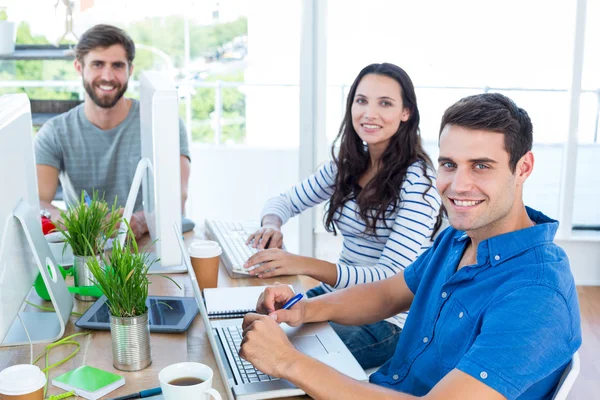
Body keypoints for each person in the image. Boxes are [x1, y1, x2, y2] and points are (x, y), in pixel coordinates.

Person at [239, 93, 582, 399]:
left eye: (481, 166)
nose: (458, 185)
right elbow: (388, 294)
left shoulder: (537, 293)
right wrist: (304, 310)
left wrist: (288, 362)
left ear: (523, 168)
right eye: (449, 165)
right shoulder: (457, 239)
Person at [244, 63, 443, 369]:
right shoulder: (348, 165)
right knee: (255, 328)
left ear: (406, 113)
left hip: (389, 322)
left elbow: (389, 280)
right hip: (338, 298)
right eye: (361, 101)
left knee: (278, 353)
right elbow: (282, 202)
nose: (369, 113)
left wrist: (302, 263)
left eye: (385, 103)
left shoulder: (419, 184)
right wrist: (272, 224)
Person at [35, 24, 191, 238]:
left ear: (130, 70)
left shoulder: (163, 123)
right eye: (97, 64)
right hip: (87, 249)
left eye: (117, 65)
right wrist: (74, 221)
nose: (107, 76)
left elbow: (178, 196)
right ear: (79, 67)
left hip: (148, 242)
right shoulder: (54, 132)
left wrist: (140, 221)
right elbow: (39, 201)